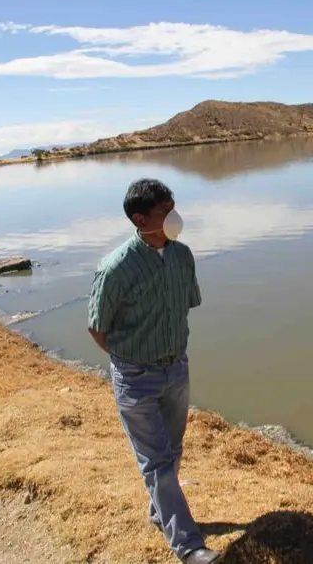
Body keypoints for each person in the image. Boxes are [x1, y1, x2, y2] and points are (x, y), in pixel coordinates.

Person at [87, 178, 221, 564]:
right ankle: (189, 546)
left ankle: (159, 509)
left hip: (176, 369)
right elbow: (98, 326)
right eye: (166, 211)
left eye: (173, 206)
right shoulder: (115, 268)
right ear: (140, 218)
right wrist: (130, 360)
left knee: (173, 449)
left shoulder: (182, 256)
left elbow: (187, 303)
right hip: (135, 378)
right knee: (158, 460)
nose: (174, 216)